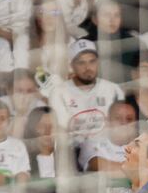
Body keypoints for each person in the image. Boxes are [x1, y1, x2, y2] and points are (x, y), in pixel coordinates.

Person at [48, 39, 124, 172]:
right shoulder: (59, 93)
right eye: (81, 62)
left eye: (92, 61)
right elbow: (60, 131)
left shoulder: (113, 89)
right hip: (72, 152)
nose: (88, 67)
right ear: (72, 65)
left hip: (107, 150)